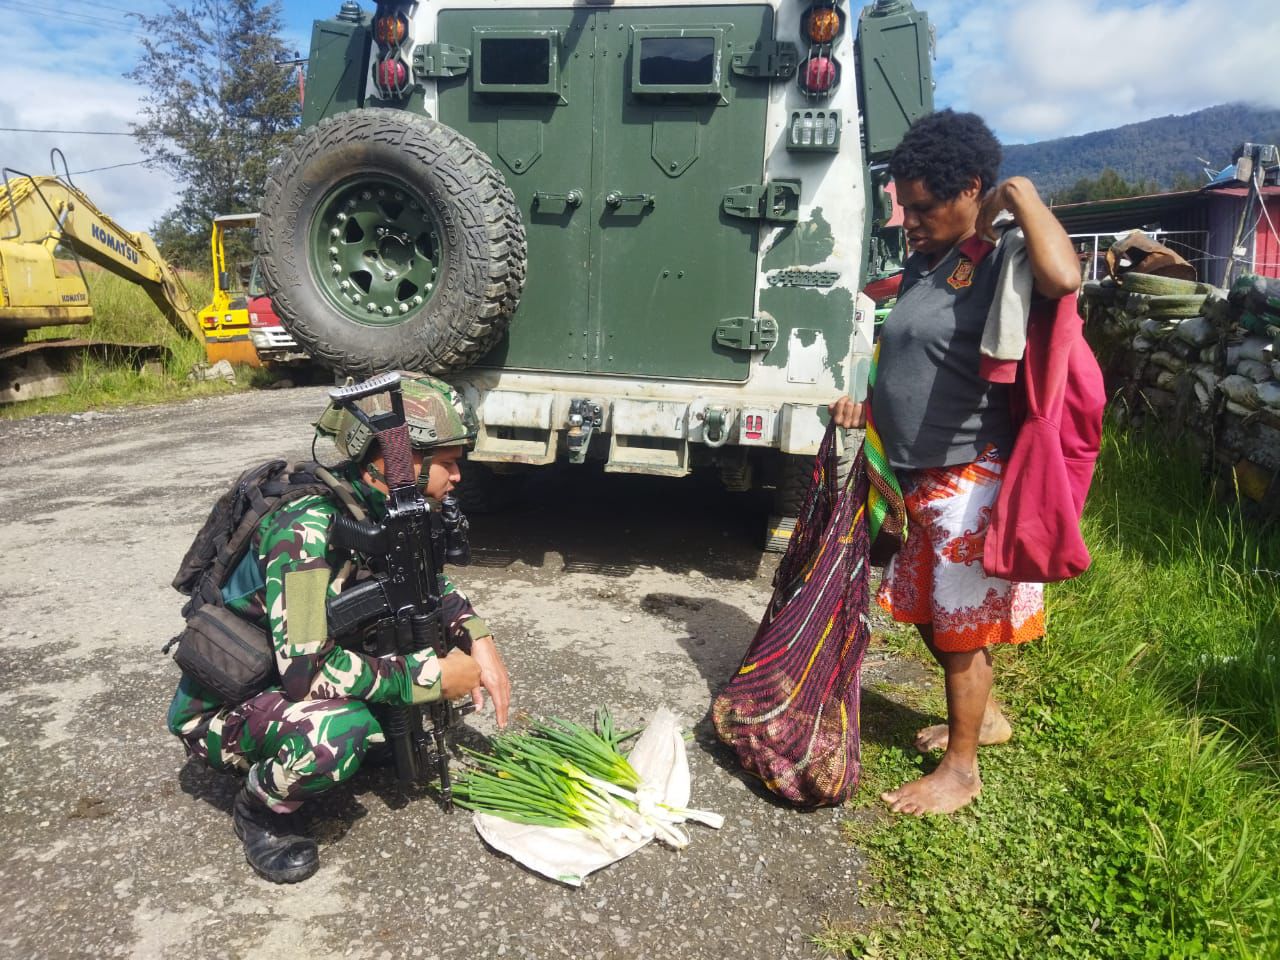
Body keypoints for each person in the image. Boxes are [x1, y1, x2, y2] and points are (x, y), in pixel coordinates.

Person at [830, 110, 1081, 816]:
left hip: (969, 476)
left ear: (972, 187)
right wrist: (865, 407)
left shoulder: (1001, 258)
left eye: (922, 207)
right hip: (917, 475)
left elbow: (1065, 277)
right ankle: (987, 717)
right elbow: (914, 360)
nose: (907, 221)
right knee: (925, 610)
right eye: (904, 206)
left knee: (961, 628)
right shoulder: (932, 262)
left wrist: (1018, 193)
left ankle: (962, 770)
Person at [167, 374, 511, 882]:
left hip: (284, 672)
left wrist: (477, 637)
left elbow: (426, 585)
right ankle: (263, 810)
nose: (459, 476)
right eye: (448, 462)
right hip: (229, 702)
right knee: (337, 733)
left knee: (410, 644)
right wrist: (428, 678)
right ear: (397, 461)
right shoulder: (305, 532)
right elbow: (305, 672)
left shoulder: (386, 508)